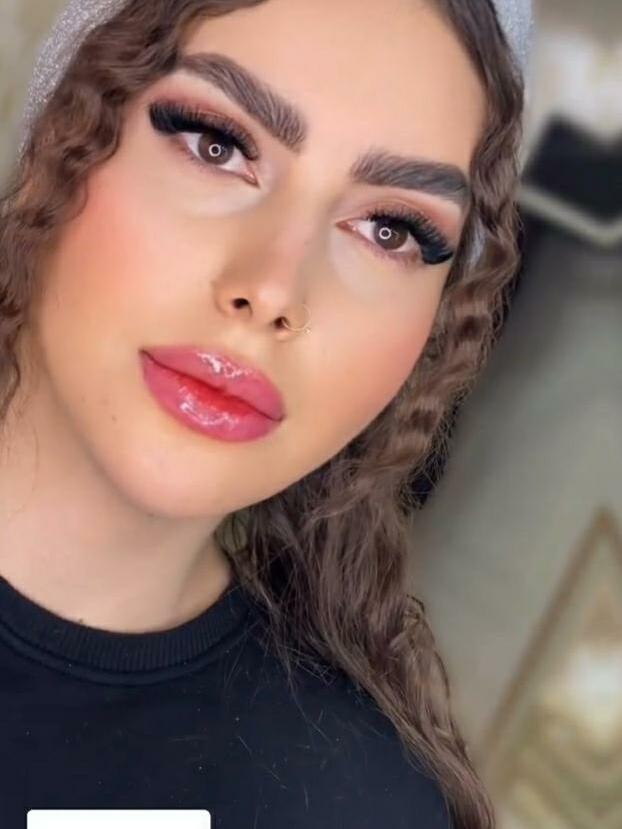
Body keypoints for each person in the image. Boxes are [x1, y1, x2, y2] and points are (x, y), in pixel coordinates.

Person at [0, 1, 532, 827]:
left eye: (389, 229)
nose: (275, 288)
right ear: (57, 140)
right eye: (217, 145)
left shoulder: (359, 807)